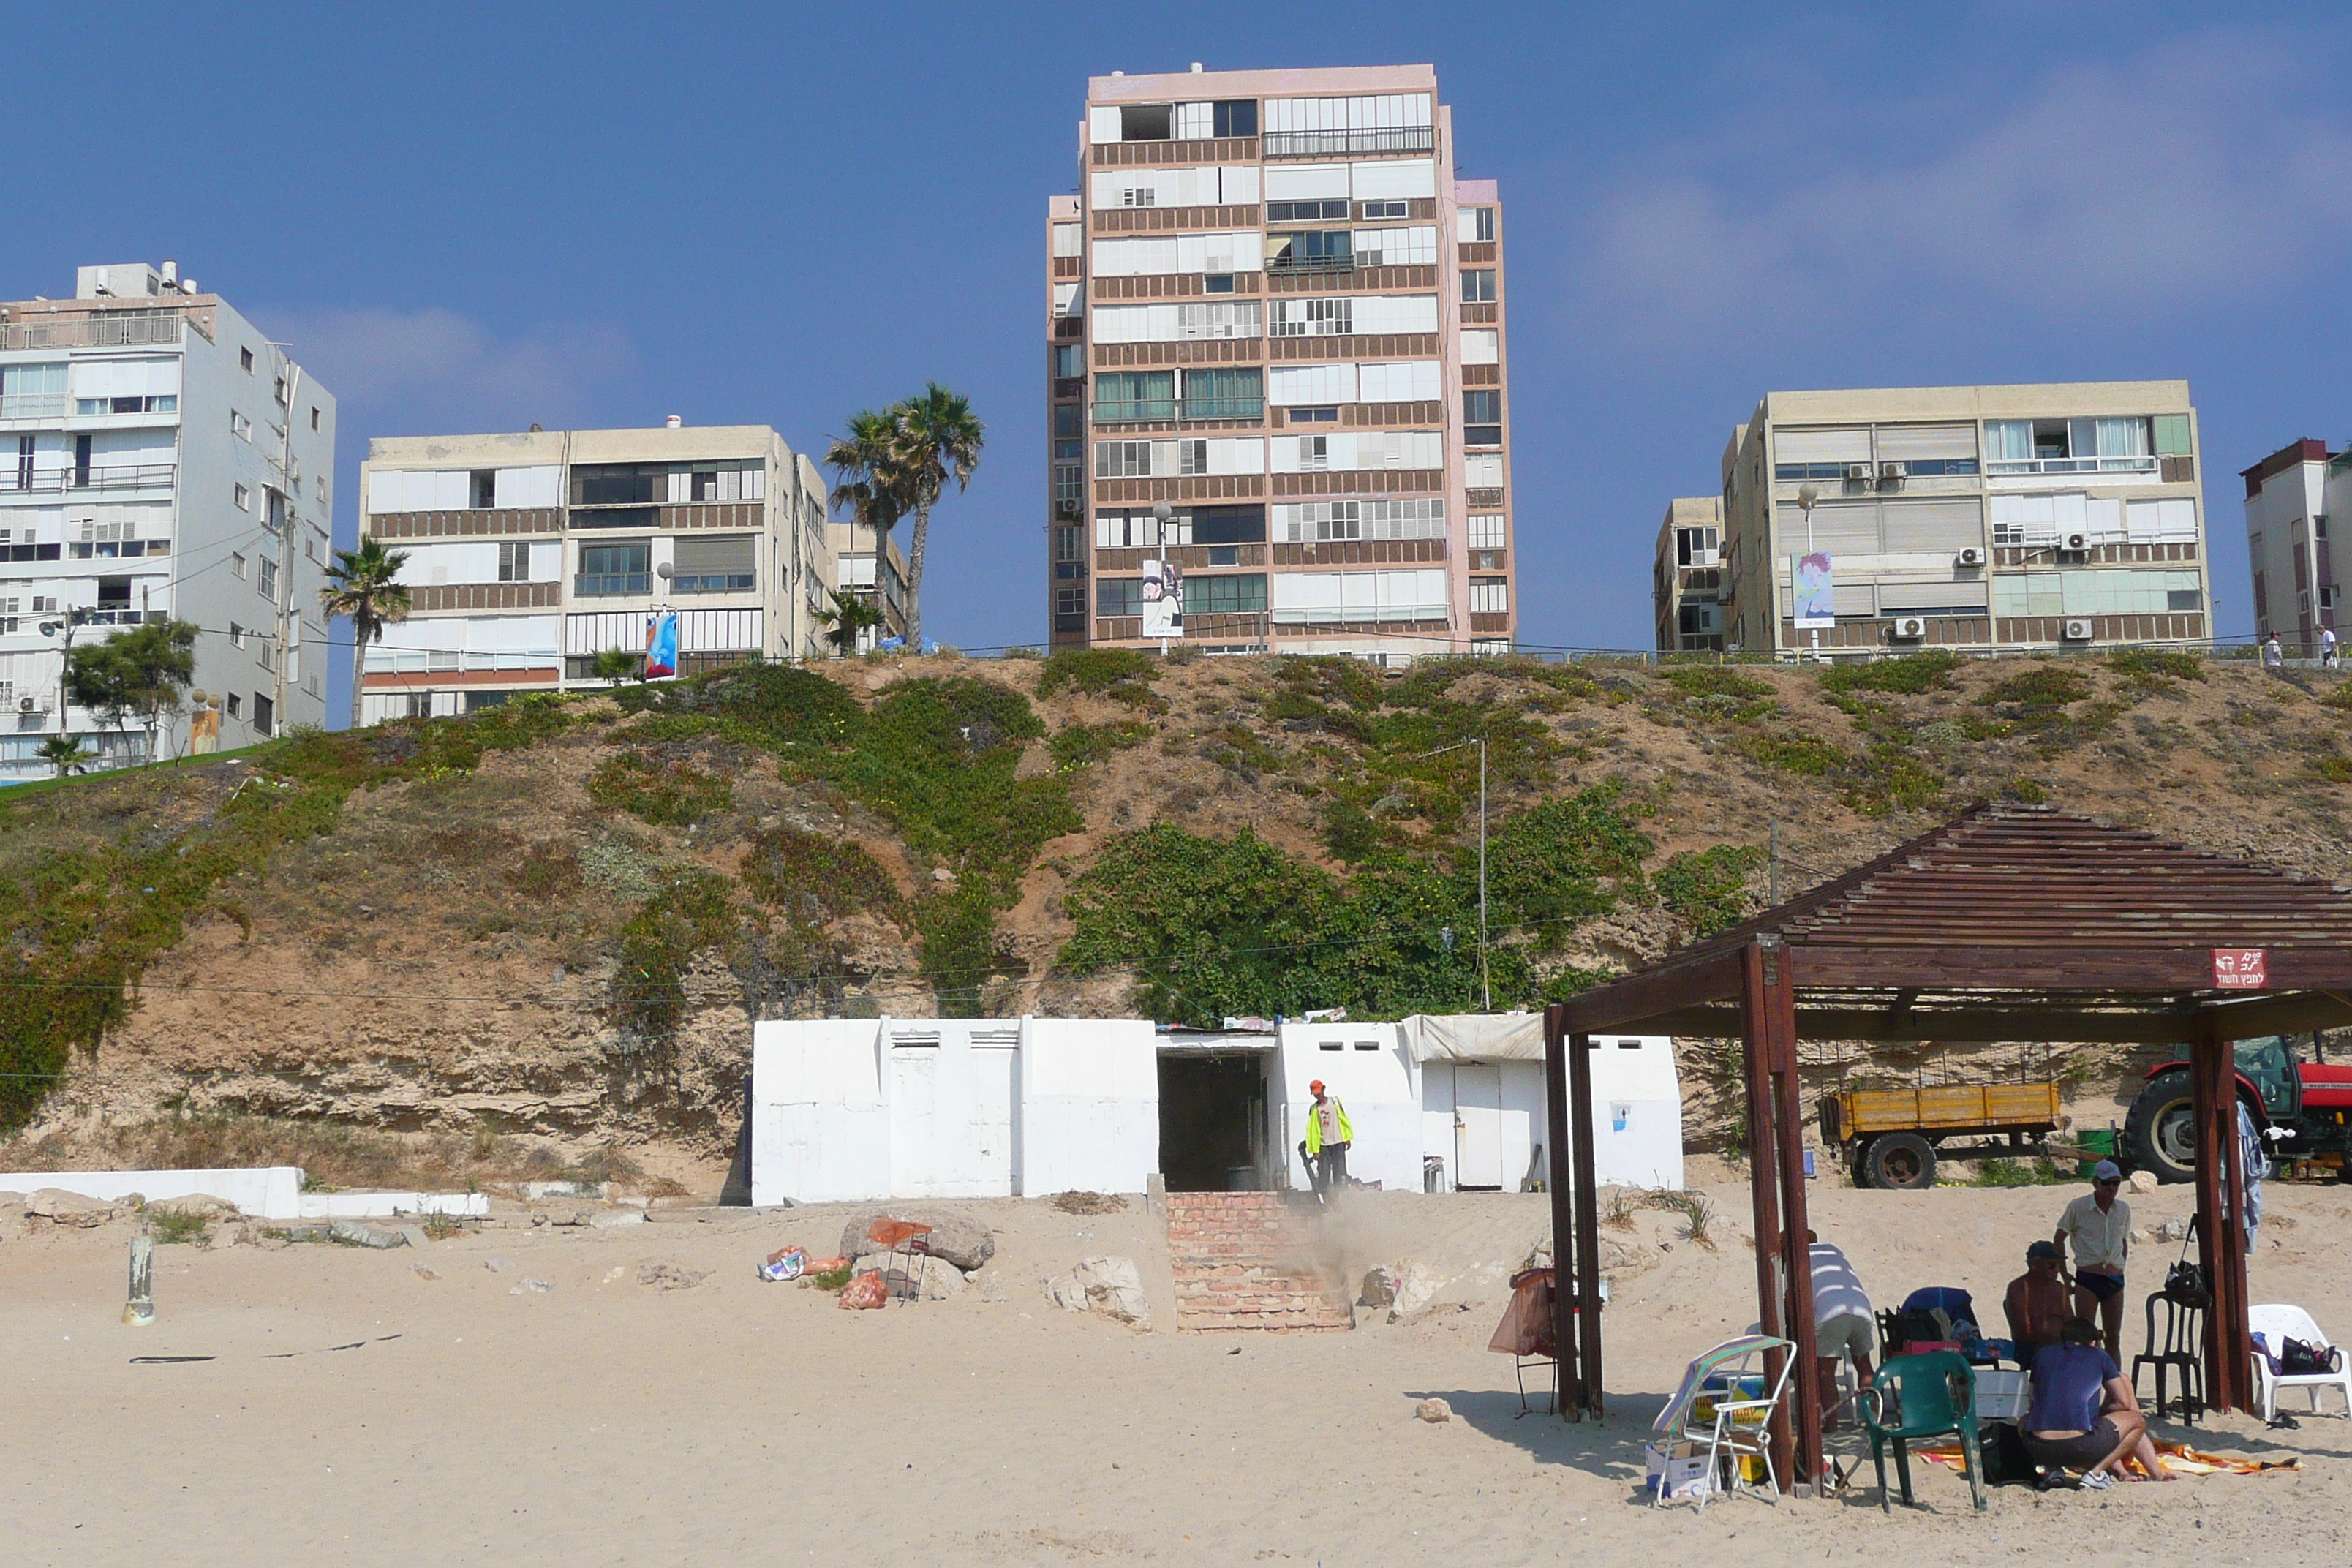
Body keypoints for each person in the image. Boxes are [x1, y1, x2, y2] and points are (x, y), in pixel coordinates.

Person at [2022, 1316, 2173, 1485]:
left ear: (2062, 1339)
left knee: (2024, 1420)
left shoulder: (2043, 1354)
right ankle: (2096, 1473)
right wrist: (2100, 1414)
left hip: (2040, 1448)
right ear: (2094, 1342)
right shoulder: (2099, 1356)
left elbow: (2033, 1400)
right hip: (2081, 1447)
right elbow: (2123, 1403)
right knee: (2136, 1420)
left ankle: (2052, 1469)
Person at [2055, 1160, 2132, 1360]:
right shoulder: (2078, 1207)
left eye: (2116, 1183)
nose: (2112, 1188)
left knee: (2113, 1338)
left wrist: (2121, 1265)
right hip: (2088, 1277)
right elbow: (2059, 1237)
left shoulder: (2123, 1209)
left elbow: (2123, 1241)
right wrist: (2064, 1274)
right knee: (2085, 1337)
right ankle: (2087, 1386)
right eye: (2107, 1183)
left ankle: (2113, 1387)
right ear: (2096, 1183)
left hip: (2115, 1278)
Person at [1805, 1230, 1876, 1431]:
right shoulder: (1831, 1250)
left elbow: (1795, 1300)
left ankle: (1831, 1423)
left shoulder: (1798, 1257)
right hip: (1860, 1307)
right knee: (1864, 1365)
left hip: (1832, 1313)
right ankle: (1873, 1420)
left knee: (1825, 1372)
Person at [2004, 1240, 2073, 1356]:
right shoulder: (2019, 1287)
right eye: (2052, 1265)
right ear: (2034, 1265)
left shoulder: (2059, 1288)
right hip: (2030, 1347)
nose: (2057, 1270)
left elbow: (2070, 1321)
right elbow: (2026, 1330)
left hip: (2059, 1345)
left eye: (2059, 1265)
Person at [1303, 1079, 1352, 1199]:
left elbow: (1343, 1120)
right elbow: (1313, 1130)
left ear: (1323, 1089)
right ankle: (1324, 1199)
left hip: (1338, 1143)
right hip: (1324, 1145)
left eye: (1318, 1092)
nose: (1317, 1095)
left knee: (1340, 1171)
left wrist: (1347, 1138)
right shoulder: (1314, 1109)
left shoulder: (1335, 1102)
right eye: (1315, 1094)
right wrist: (1315, 1150)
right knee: (1324, 1173)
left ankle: (1339, 1197)